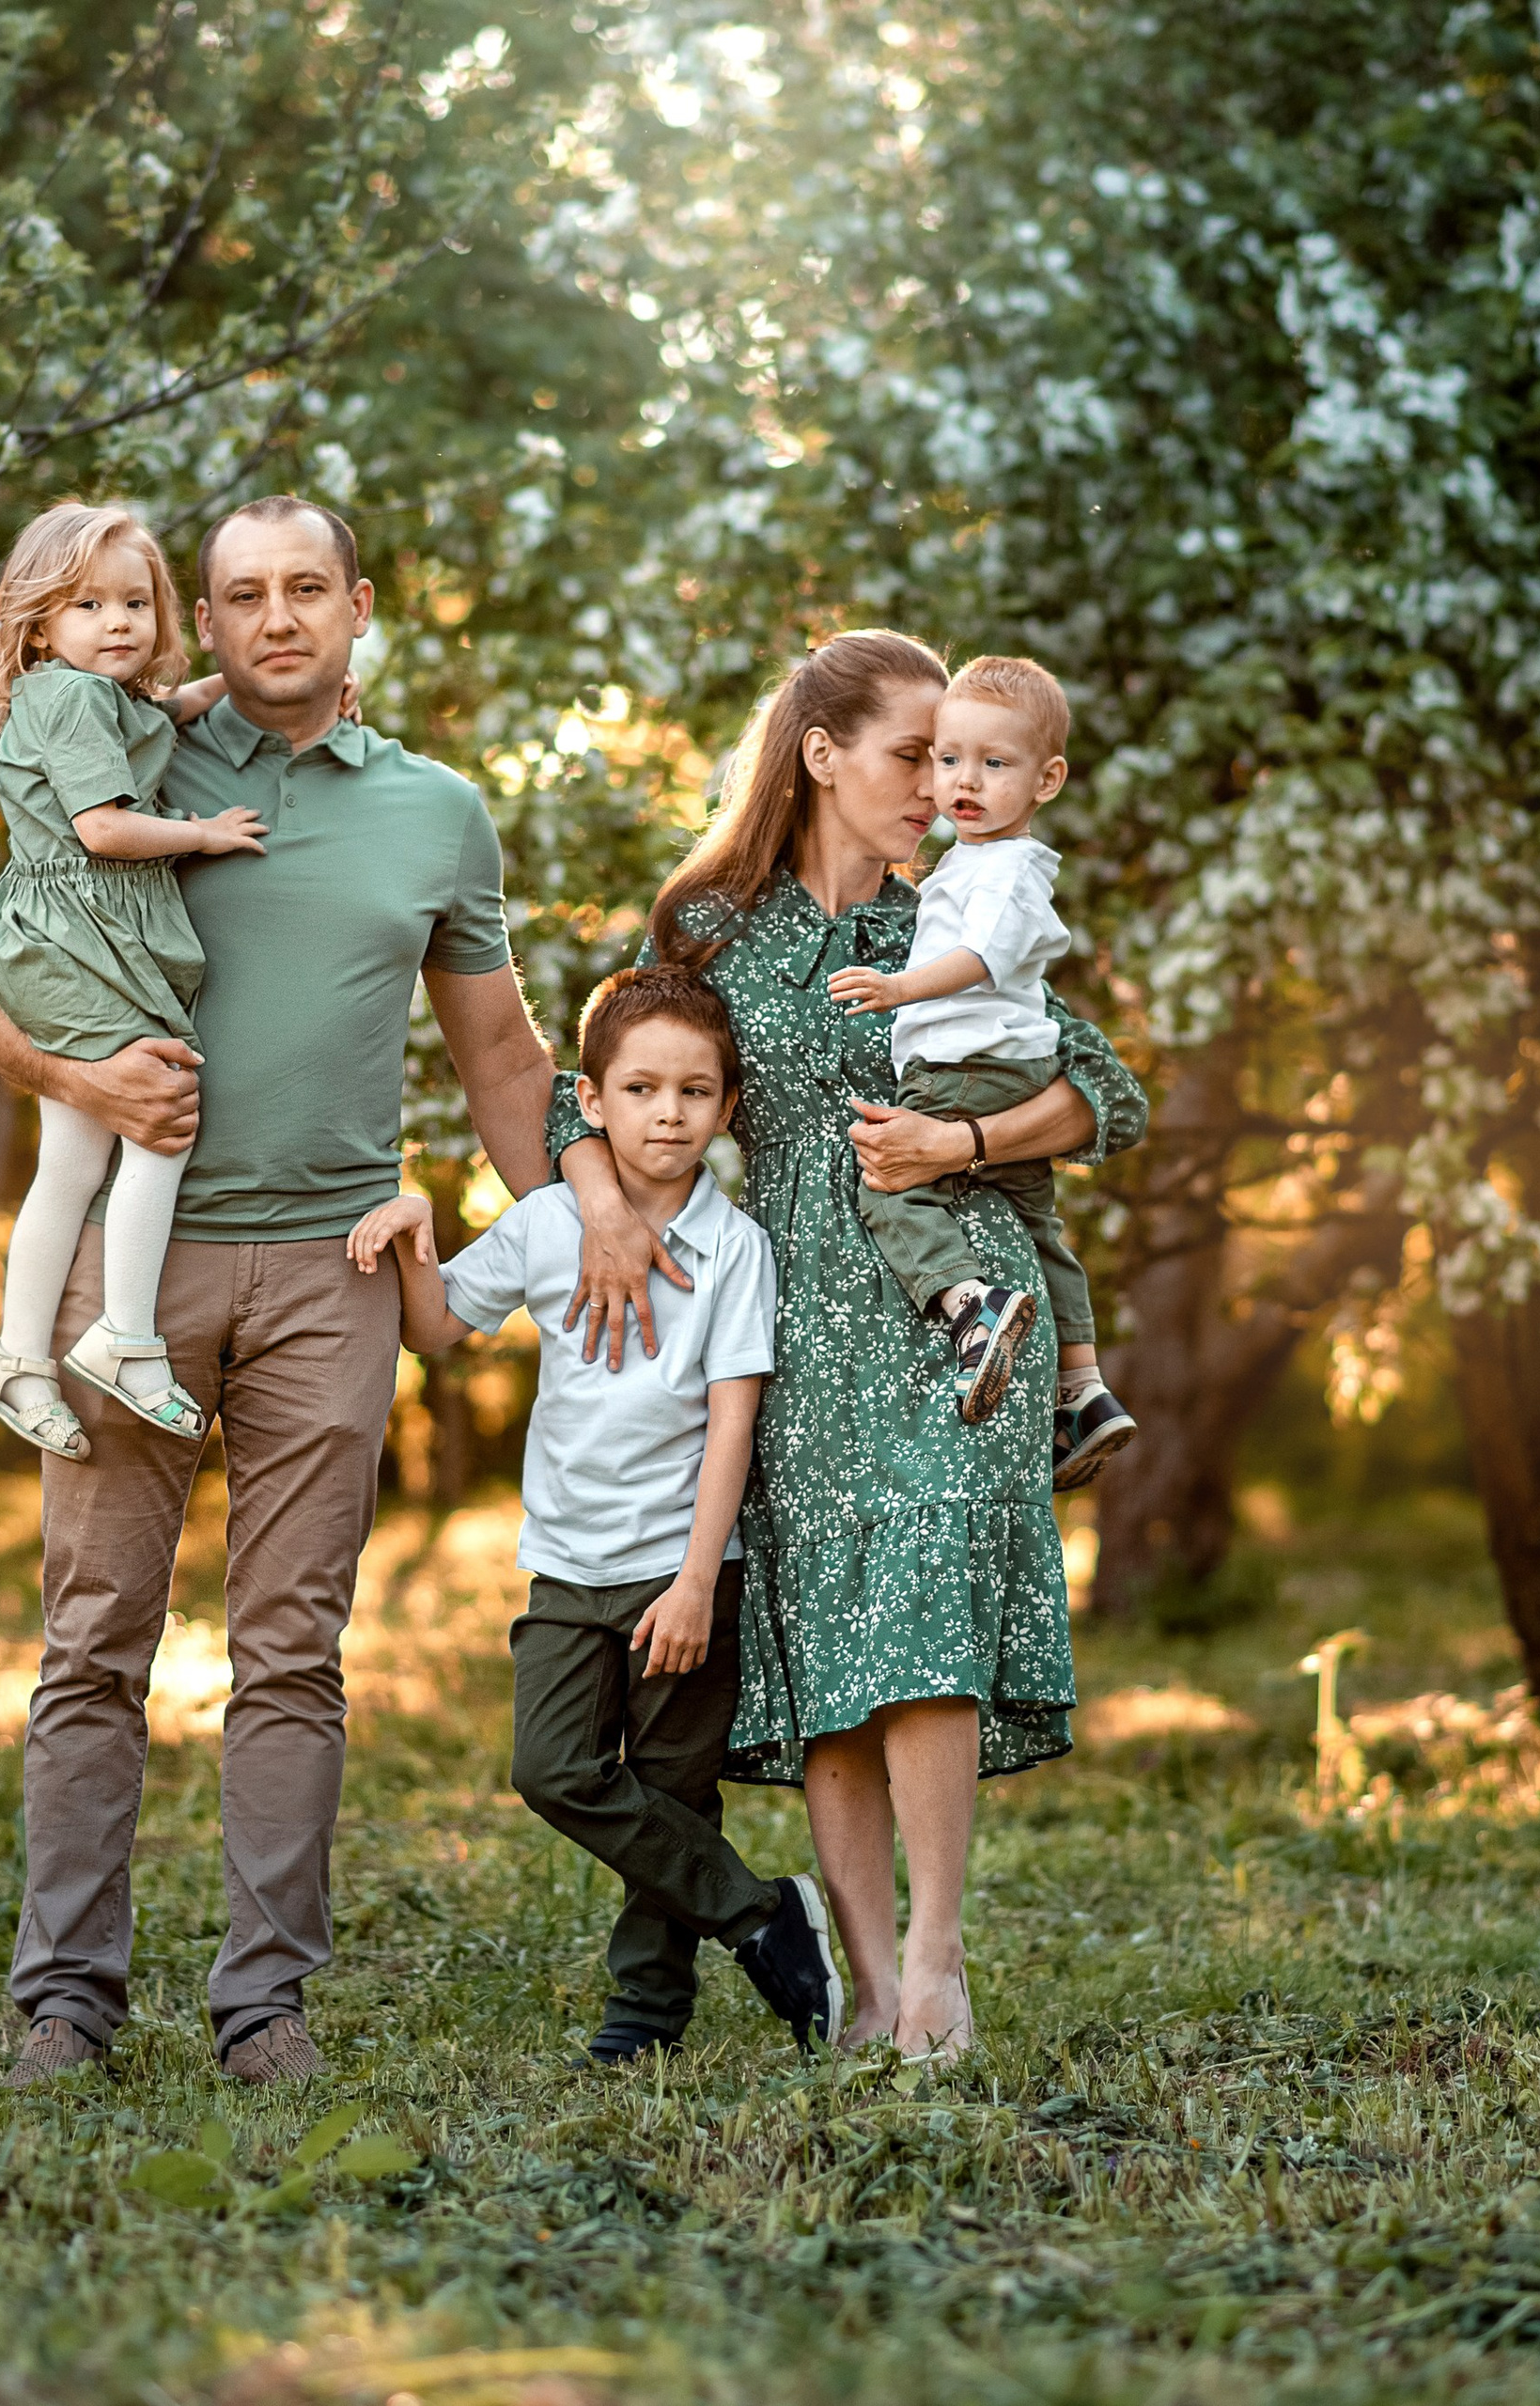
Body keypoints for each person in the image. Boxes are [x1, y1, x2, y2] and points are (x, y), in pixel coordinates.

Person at [0, 495, 557, 2088]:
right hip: (125, 1273)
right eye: (241, 595)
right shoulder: (129, 754)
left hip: (333, 1276)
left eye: (306, 589)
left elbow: (499, 1052)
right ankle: (66, 1998)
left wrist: (587, 1223)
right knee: (96, 1639)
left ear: (359, 609)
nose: (275, 617)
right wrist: (78, 1069)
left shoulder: (437, 814)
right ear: (200, 622)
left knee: (292, 1648)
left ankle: (262, 2005)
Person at [549, 631, 1146, 2061]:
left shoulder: (953, 917)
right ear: (822, 756)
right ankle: (869, 1984)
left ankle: (939, 1968)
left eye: (958, 760)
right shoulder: (711, 929)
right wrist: (600, 1211)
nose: (942, 785)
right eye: (912, 755)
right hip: (796, 1320)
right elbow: (605, 1084)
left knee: (930, 1601)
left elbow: (1107, 1093)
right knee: (834, 1652)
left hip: (965, 1307)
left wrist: (969, 1137)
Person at [348, 968, 843, 2064]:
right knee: (554, 1767)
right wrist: (415, 1224)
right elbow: (429, 1328)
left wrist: (698, 1582)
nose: (668, 1113)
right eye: (642, 1088)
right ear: (593, 1099)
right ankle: (760, 1914)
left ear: (725, 1105)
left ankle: (645, 2018)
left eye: (695, 1091)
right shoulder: (546, 1223)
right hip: (569, 1563)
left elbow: (732, 1424)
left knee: (671, 1788)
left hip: (682, 1565)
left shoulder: (735, 1248)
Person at [0, 501, 249, 1461]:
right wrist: (204, 834)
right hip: (79, 938)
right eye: (88, 603)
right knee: (158, 1121)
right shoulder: (69, 697)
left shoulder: (95, 695)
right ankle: (124, 1338)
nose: (117, 621)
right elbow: (105, 829)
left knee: (75, 1164)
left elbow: (166, 717)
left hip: (68, 939)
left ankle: (16, 1355)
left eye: (135, 601)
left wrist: (238, 684)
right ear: (39, 623)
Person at [826, 654, 1139, 1485]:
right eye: (943, 757)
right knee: (1042, 1228)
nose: (956, 783)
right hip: (1006, 1067)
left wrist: (897, 988)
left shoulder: (1003, 870)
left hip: (964, 1069)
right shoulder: (976, 861)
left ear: (1048, 779)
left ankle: (970, 1305)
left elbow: (978, 959)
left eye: (992, 765)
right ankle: (1085, 1388)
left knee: (888, 1185)